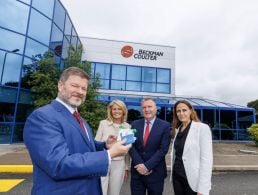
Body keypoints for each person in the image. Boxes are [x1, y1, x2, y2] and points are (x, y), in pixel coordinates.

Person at [23, 67, 131, 195]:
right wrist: (108, 155)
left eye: (84, 88)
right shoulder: (43, 117)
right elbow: (59, 165)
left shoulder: (80, 119)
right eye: (75, 86)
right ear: (60, 86)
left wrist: (104, 146)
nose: (80, 91)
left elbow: (82, 146)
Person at [129, 98, 171, 195]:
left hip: (155, 173)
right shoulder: (135, 124)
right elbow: (130, 145)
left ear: (155, 108)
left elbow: (163, 149)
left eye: (149, 107)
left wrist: (147, 166)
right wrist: (140, 165)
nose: (147, 109)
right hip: (137, 172)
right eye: (144, 107)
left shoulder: (165, 126)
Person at [170, 100, 213, 195]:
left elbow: (207, 160)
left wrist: (203, 188)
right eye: (178, 111)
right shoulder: (178, 129)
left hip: (193, 179)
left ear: (191, 111)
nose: (181, 113)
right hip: (177, 177)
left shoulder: (202, 128)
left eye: (184, 110)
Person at [95, 99, 130, 195]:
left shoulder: (127, 127)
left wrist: (126, 168)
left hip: (119, 164)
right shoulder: (103, 123)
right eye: (114, 109)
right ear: (110, 110)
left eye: (119, 109)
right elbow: (96, 144)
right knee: (101, 190)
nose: (116, 111)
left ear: (123, 111)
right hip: (103, 162)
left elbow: (128, 149)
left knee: (114, 192)